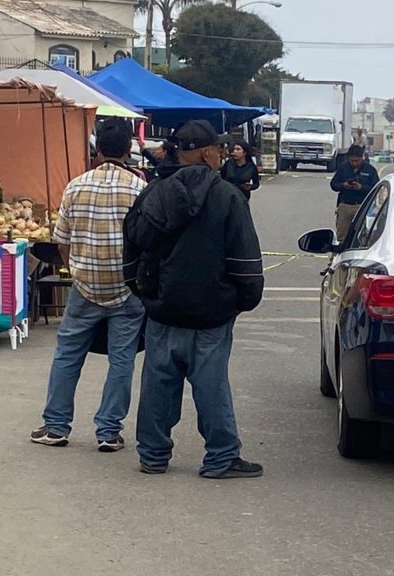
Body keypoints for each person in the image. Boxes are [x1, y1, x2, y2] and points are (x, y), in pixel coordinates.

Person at [123, 119, 265, 479]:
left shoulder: (154, 192)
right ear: (206, 153)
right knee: (211, 384)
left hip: (163, 307)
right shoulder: (228, 196)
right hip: (212, 311)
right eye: (218, 149)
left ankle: (153, 454)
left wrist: (141, 290)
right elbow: (245, 260)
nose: (222, 154)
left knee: (157, 382)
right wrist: (243, 300)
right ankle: (221, 457)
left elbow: (131, 244)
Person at [31, 117, 147, 452]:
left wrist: (76, 270)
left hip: (84, 287)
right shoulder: (139, 189)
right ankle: (109, 431)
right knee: (122, 359)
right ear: (128, 149)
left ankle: (56, 426)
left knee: (68, 354)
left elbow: (62, 241)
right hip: (126, 289)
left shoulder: (75, 186)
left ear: (97, 149)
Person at [330, 144, 380, 240]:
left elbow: (376, 189)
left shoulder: (370, 170)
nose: (354, 163)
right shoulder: (343, 168)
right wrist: (343, 185)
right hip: (345, 206)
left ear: (362, 158)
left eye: (357, 160)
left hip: (362, 206)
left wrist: (361, 187)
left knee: (363, 236)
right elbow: (333, 185)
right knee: (342, 236)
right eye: (351, 160)